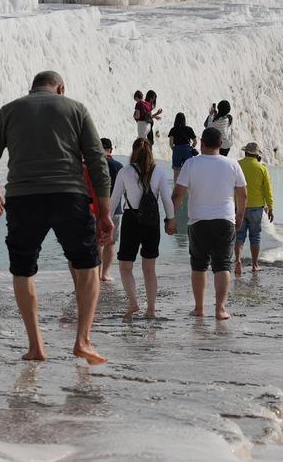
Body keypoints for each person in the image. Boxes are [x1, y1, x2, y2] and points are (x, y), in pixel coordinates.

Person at [0, 71, 113, 365]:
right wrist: (104, 211)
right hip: (69, 195)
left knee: (23, 270)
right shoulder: (76, 108)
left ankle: (36, 346)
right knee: (88, 264)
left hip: (24, 199)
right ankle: (83, 340)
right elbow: (97, 160)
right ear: (60, 88)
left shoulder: (9, 110)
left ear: (32, 88)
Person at [172, 127, 247, 320]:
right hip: (225, 220)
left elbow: (178, 193)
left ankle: (199, 308)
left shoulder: (191, 164)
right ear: (221, 145)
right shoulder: (232, 164)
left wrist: (171, 217)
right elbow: (243, 194)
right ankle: (220, 309)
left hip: (198, 222)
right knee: (222, 265)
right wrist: (239, 216)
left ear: (201, 143)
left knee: (199, 266)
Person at [108, 138, 175, 317]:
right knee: (149, 268)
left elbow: (114, 200)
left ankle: (133, 303)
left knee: (125, 266)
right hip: (152, 220)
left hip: (131, 219)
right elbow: (167, 199)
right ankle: (151, 309)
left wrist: (106, 221)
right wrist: (171, 219)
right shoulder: (159, 171)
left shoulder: (125, 171)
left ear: (133, 152)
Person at [236, 142, 274, 276]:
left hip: (239, 206)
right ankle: (254, 265)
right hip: (256, 209)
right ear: (257, 155)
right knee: (255, 237)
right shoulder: (262, 168)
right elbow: (267, 190)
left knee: (239, 236)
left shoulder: (237, 165)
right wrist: (270, 207)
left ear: (245, 152)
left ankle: (237, 261)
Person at [100, 138, 124, 283]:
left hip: (96, 209)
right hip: (115, 210)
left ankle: (95, 274)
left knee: (98, 243)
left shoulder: (92, 165)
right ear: (111, 150)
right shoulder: (119, 166)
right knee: (111, 243)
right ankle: (105, 273)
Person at [167, 112, 197, 179]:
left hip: (177, 150)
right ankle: (188, 188)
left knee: (176, 173)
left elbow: (171, 143)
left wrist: (174, 149)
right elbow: (195, 142)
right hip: (187, 150)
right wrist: (191, 148)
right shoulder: (189, 129)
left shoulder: (173, 129)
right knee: (188, 172)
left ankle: (176, 188)